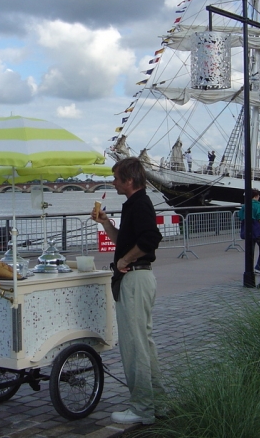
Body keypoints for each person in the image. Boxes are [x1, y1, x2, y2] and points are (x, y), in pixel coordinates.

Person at [91, 157, 164, 425]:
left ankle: (142, 408)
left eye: (117, 178)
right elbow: (126, 240)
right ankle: (158, 403)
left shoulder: (140, 203)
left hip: (134, 279)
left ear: (129, 180)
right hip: (137, 280)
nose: (114, 182)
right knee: (144, 343)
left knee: (135, 346)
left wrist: (125, 260)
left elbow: (150, 239)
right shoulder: (135, 203)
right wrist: (106, 223)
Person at [238, 189, 260, 271]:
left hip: (247, 228)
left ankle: (249, 268)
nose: (259, 197)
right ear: (256, 196)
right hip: (257, 229)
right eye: (258, 195)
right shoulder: (258, 205)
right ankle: (258, 267)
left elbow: (240, 216)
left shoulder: (245, 205)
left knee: (250, 250)